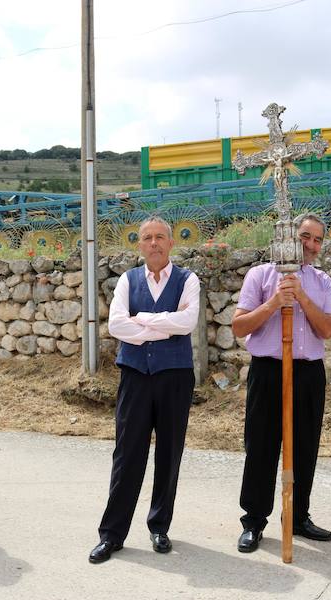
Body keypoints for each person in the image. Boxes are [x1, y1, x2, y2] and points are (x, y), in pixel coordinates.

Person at [88, 216, 200, 564]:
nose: (154, 243)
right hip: (135, 376)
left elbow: (188, 322)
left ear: (170, 243)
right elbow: (117, 325)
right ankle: (112, 534)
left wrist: (143, 321)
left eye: (160, 237)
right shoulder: (127, 279)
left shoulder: (188, 279)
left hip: (175, 377)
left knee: (169, 453)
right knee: (127, 454)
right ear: (139, 244)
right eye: (147, 238)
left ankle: (159, 527)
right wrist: (164, 324)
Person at [232, 214, 331, 553]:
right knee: (261, 445)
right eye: (304, 236)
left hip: (308, 373)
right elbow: (239, 326)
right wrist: (276, 301)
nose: (310, 244)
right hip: (269, 369)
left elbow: (328, 330)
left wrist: (302, 298)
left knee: (305, 447)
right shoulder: (260, 275)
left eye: (317, 239)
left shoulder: (322, 281)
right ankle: (254, 520)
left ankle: (298, 516)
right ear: (288, 237)